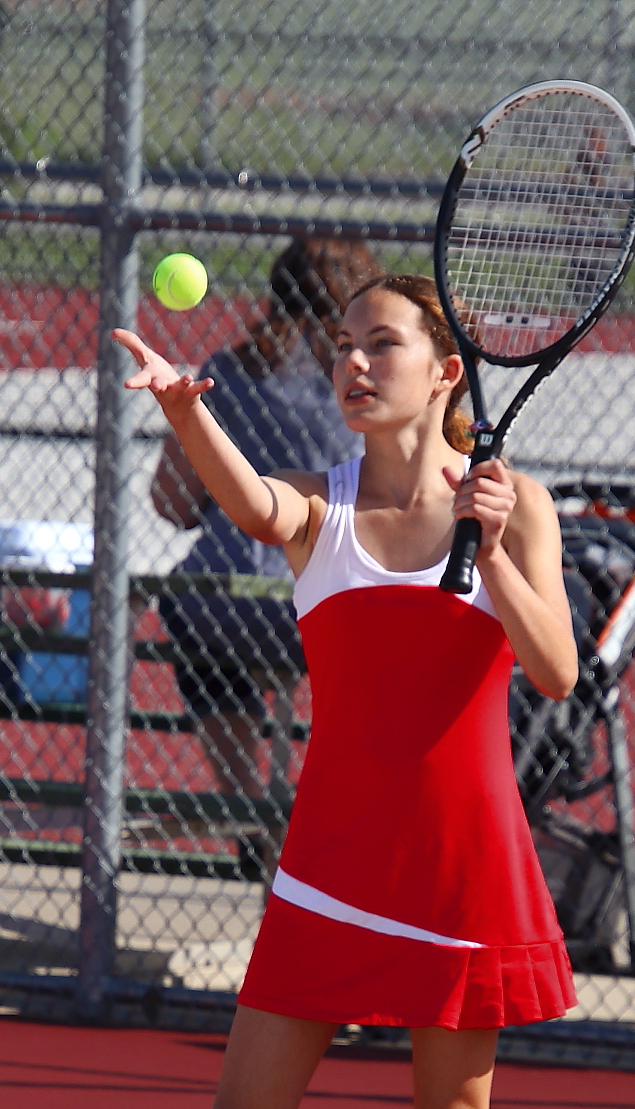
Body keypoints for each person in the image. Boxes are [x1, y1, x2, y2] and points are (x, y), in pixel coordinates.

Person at [30, 274, 578, 1109]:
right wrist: (182, 408)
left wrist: (492, 550)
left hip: (458, 872)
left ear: (445, 373)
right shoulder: (319, 509)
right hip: (329, 874)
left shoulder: (515, 506)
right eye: (342, 344)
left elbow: (553, 672)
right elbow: (245, 498)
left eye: (380, 343)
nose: (352, 362)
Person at [152, 237, 382, 805]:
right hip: (333, 603)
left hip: (222, 599)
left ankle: (243, 799)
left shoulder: (227, 371)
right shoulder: (368, 384)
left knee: (194, 615)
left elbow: (173, 504)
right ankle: (330, 804)